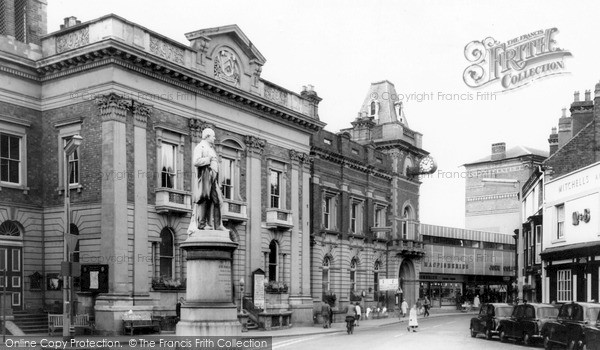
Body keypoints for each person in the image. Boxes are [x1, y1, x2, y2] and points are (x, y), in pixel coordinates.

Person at [187, 128, 227, 234]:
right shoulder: (200, 147)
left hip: (213, 179)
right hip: (205, 177)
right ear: (207, 136)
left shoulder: (211, 148)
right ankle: (202, 225)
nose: (214, 138)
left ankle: (218, 225)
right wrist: (208, 160)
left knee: (218, 200)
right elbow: (196, 161)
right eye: (213, 136)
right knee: (204, 199)